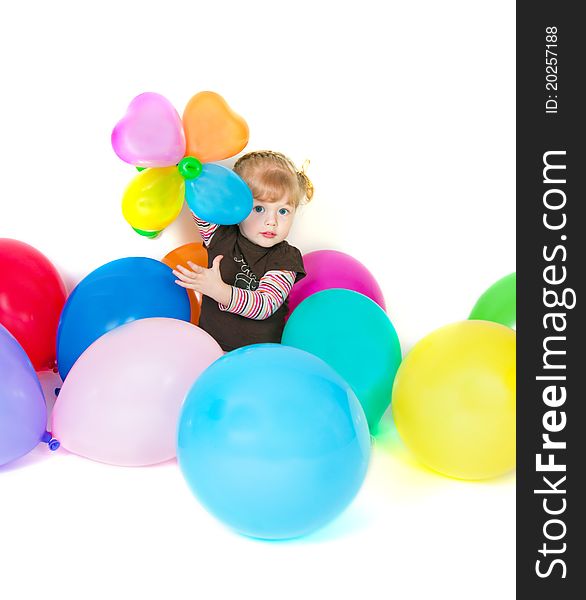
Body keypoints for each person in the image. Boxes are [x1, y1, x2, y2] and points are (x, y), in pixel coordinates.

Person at [173, 151, 314, 352]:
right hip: (209, 349)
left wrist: (219, 290)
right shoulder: (220, 234)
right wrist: (187, 171)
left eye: (283, 211)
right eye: (259, 209)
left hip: (259, 358)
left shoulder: (285, 258)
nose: (271, 221)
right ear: (237, 205)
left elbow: (266, 304)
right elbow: (200, 203)